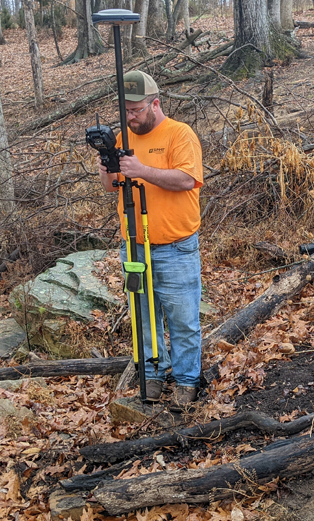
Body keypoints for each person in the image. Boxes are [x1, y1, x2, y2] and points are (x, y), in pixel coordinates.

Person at [98, 70, 204, 411]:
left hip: (175, 247)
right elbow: (111, 186)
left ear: (154, 104)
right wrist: (106, 165)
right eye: (125, 111)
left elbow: (187, 180)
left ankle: (187, 381)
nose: (130, 117)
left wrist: (142, 170)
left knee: (183, 318)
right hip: (134, 245)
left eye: (136, 110)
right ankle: (154, 372)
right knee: (143, 317)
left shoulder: (179, 134)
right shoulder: (121, 136)